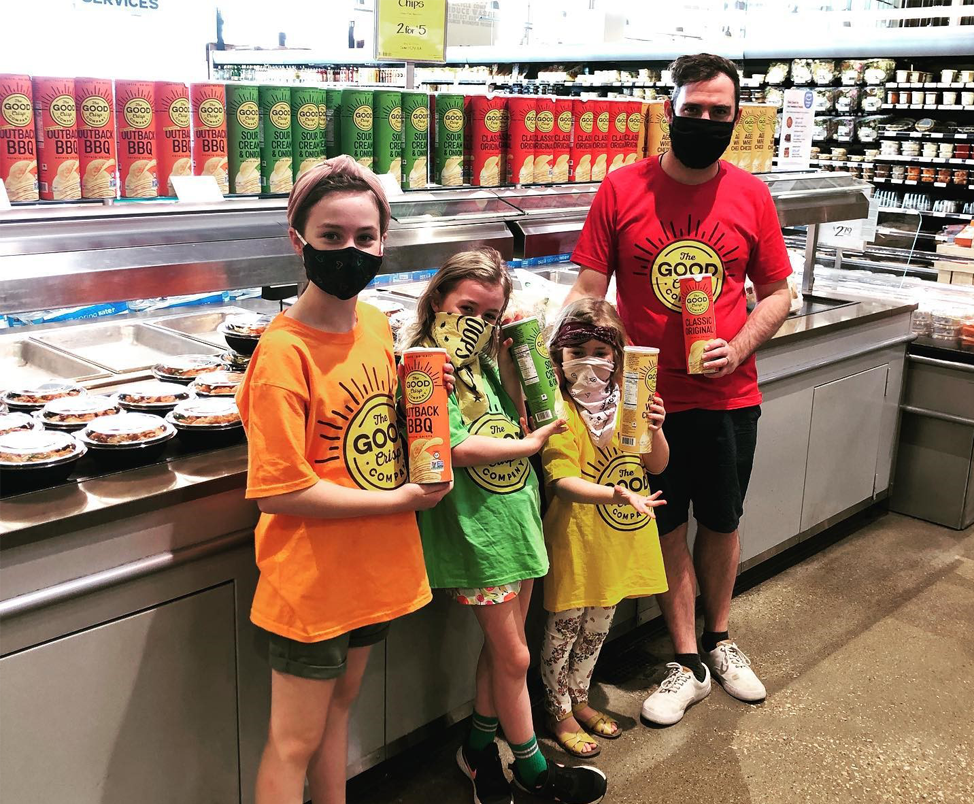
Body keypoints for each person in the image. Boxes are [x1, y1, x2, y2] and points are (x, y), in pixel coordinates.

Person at [566, 53, 794, 726]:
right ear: (668, 110)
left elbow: (779, 293)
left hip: (729, 395)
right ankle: (686, 659)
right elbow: (589, 289)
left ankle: (721, 640)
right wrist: (586, 371)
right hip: (645, 401)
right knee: (664, 520)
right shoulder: (619, 188)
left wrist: (740, 344)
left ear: (736, 118)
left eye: (718, 113)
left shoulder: (751, 195)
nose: (703, 121)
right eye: (691, 110)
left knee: (721, 520)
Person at [237, 156, 452, 804]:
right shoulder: (282, 355)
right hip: (312, 588)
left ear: (384, 242)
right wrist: (400, 499)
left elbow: (368, 434)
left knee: (337, 717)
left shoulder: (377, 327)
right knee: (291, 742)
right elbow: (281, 488)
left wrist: (420, 398)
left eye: (366, 238)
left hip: (369, 573)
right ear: (298, 241)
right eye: (332, 238)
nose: (351, 252)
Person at [407, 247, 608, 804]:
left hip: (516, 515)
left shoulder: (484, 362)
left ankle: (477, 748)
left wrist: (519, 353)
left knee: (506, 648)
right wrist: (529, 445)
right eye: (467, 309)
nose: (477, 324)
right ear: (437, 301)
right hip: (476, 529)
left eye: (491, 315)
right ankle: (533, 768)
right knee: (516, 655)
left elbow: (531, 408)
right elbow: (450, 446)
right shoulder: (426, 363)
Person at [539, 298, 670, 758]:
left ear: (619, 354)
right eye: (578, 352)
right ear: (559, 356)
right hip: (576, 540)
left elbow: (656, 464)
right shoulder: (557, 408)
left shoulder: (630, 405)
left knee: (596, 630)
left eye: (602, 350)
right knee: (564, 630)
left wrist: (656, 429)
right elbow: (563, 481)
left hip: (617, 541)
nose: (591, 361)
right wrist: (617, 494)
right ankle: (558, 710)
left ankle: (580, 696)